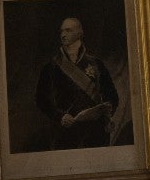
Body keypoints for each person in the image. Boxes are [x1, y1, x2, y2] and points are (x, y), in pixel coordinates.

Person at [32, 16, 119, 150]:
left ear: (80, 33)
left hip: (95, 133)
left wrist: (106, 112)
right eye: (61, 31)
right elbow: (41, 99)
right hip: (65, 132)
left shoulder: (96, 64)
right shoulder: (50, 67)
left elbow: (112, 96)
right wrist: (60, 116)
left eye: (68, 30)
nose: (63, 35)